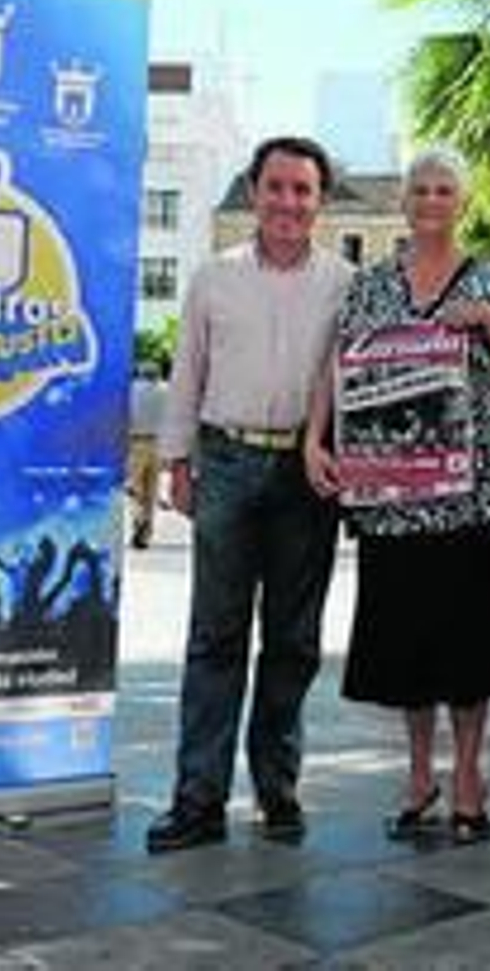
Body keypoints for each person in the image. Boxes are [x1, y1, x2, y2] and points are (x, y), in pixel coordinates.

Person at [304, 148, 490, 844]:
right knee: (405, 645)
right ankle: (419, 775)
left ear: (462, 202)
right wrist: (314, 439)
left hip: (478, 496)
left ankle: (468, 774)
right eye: (420, 188)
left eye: (445, 189)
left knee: (470, 643)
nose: (432, 199)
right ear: (404, 202)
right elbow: (336, 367)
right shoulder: (371, 284)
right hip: (394, 496)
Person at [145, 136, 353, 854]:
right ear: (255, 191)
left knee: (293, 640)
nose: (289, 202)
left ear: (319, 201)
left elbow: (355, 382)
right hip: (227, 461)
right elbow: (187, 371)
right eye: (277, 187)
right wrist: (176, 459)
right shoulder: (212, 277)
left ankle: (277, 791)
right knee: (215, 637)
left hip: (306, 471)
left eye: (303, 189)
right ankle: (197, 800)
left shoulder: (346, 284)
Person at [126, 356, 170, 549]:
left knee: (135, 490)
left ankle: (138, 519)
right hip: (159, 444)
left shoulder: (131, 390)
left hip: (136, 443)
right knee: (152, 492)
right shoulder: (167, 390)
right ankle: (147, 534)